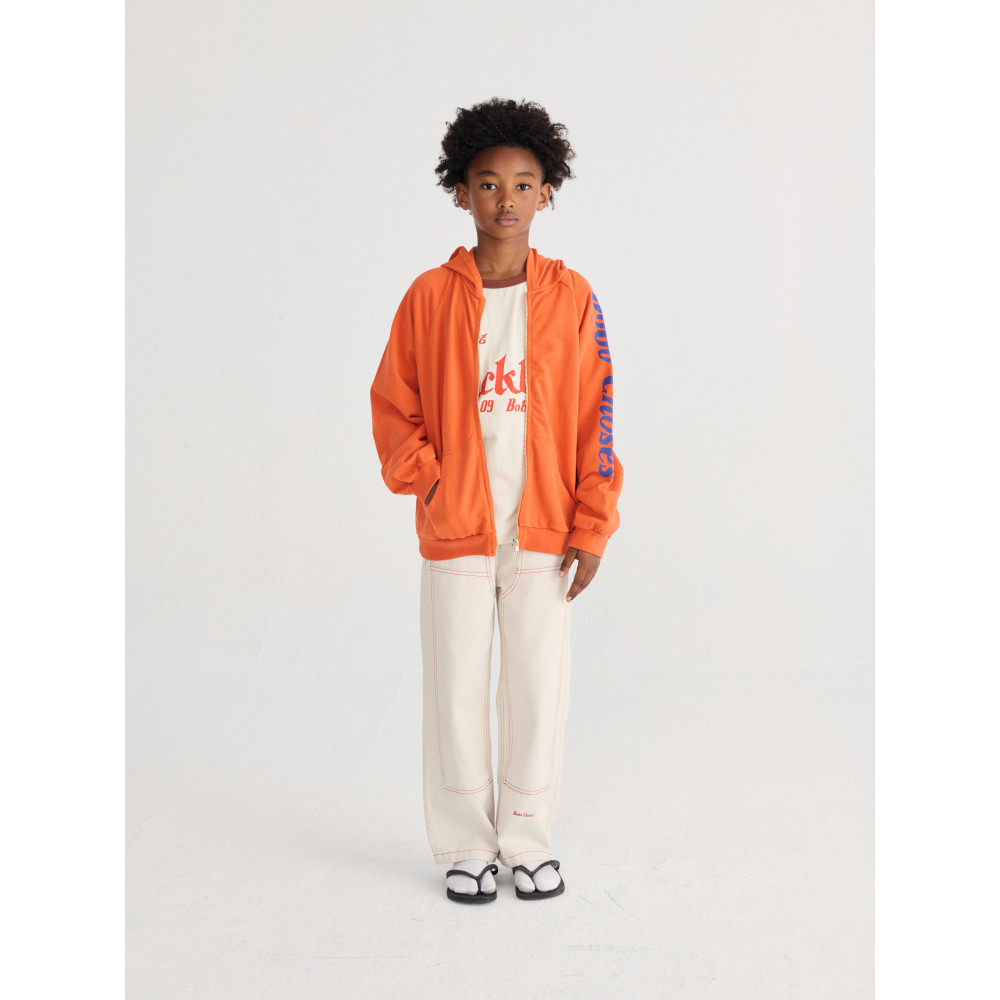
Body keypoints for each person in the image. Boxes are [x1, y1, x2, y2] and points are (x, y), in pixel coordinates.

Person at [370, 98, 623, 903]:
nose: (504, 199)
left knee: (537, 690)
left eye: (521, 183)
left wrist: (592, 524)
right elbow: (393, 404)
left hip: (545, 529)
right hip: (459, 530)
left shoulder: (573, 296)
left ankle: (527, 838)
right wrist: (431, 479)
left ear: (547, 192)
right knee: (455, 689)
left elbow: (597, 416)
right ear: (460, 192)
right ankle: (463, 845)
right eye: (486, 183)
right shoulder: (428, 296)